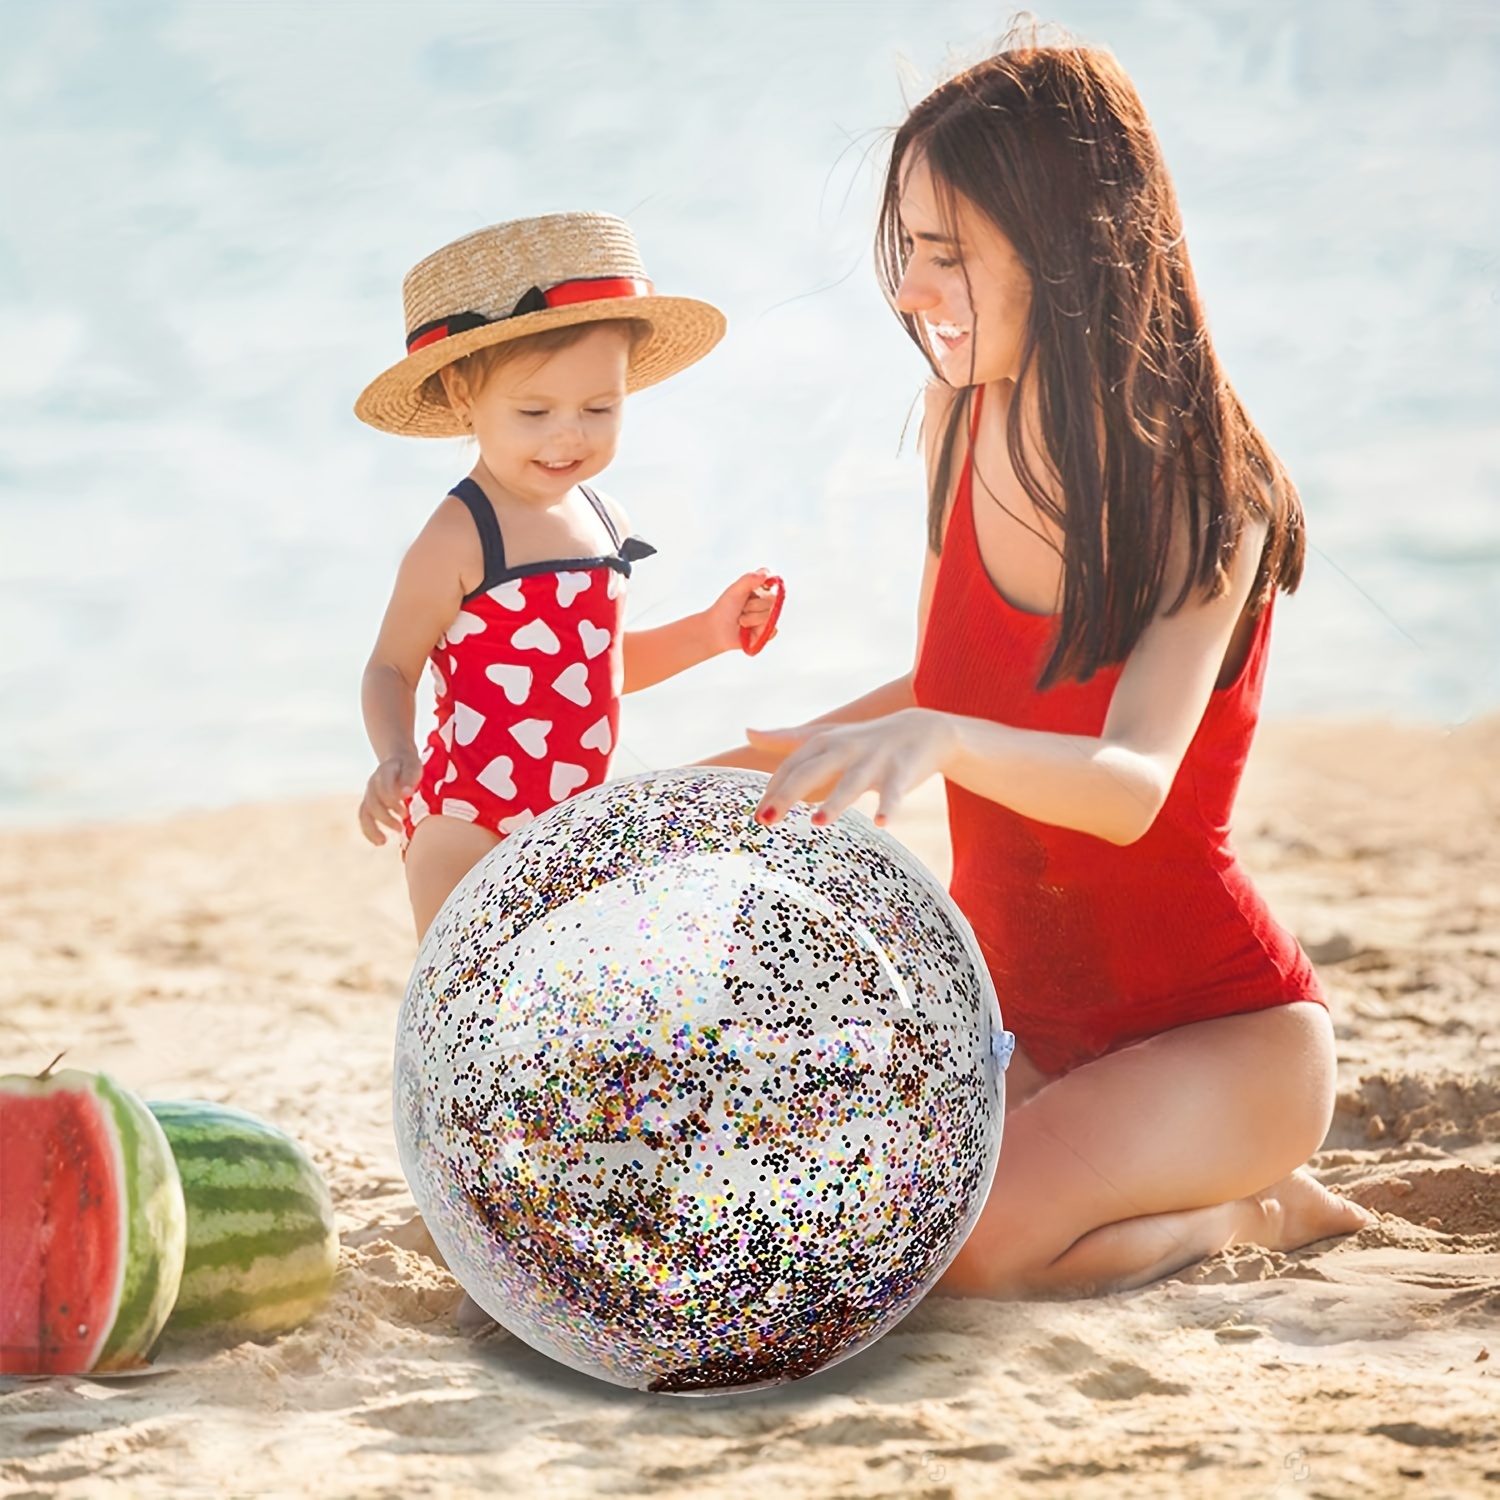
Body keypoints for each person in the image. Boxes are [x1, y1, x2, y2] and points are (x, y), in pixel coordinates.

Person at [716, 39, 1372, 1296]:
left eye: (946, 253)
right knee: (841, 1232)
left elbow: (1128, 783)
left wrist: (947, 742)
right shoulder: (960, 425)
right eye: (903, 250)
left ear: (1068, 245)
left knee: (959, 1262)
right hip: (1026, 1026)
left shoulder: (1202, 495)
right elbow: (943, 684)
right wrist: (738, 771)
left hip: (1224, 1045)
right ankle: (1179, 1192)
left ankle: (1248, 1212)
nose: (910, 291)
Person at [355, 213, 780, 937]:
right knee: (467, 992)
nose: (568, 435)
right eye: (534, 411)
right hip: (465, 820)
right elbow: (391, 667)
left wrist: (710, 633)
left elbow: (595, 667)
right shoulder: (459, 536)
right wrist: (396, 753)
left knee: (564, 1002)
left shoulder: (603, 517)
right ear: (463, 395)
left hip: (575, 814)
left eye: (599, 408)